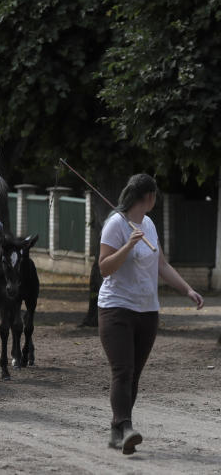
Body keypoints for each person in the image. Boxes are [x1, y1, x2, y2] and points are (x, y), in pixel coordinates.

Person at [98, 173, 203, 454]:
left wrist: (188, 290)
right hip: (116, 309)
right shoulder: (115, 224)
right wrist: (128, 245)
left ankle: (116, 431)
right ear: (148, 197)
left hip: (147, 312)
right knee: (123, 371)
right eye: (155, 195)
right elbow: (104, 267)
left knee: (133, 376)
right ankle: (126, 427)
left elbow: (162, 265)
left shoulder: (150, 225)